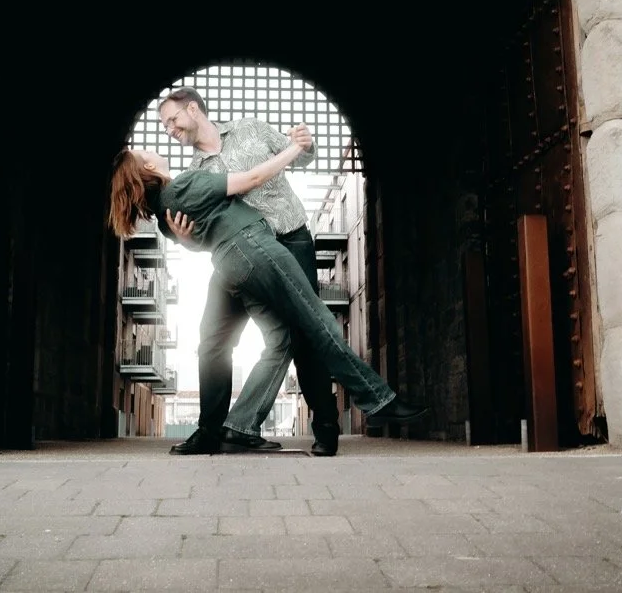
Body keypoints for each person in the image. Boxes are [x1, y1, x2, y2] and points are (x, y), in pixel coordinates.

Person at [108, 140, 430, 453]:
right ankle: (377, 399)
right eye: (145, 151)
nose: (157, 145)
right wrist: (294, 148)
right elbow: (251, 179)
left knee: (281, 340)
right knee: (315, 317)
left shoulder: (165, 213)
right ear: (147, 166)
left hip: (232, 267)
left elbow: (199, 241)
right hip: (254, 248)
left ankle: (240, 425)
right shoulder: (181, 186)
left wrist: (189, 241)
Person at [156, 87, 339, 456]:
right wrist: (184, 239)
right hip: (236, 258)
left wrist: (304, 142)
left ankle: (326, 427)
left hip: (290, 240)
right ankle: (209, 432)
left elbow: (299, 158)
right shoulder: (193, 174)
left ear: (193, 109)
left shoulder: (250, 128)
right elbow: (201, 237)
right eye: (164, 126)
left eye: (172, 120)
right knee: (213, 338)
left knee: (306, 332)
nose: (169, 129)